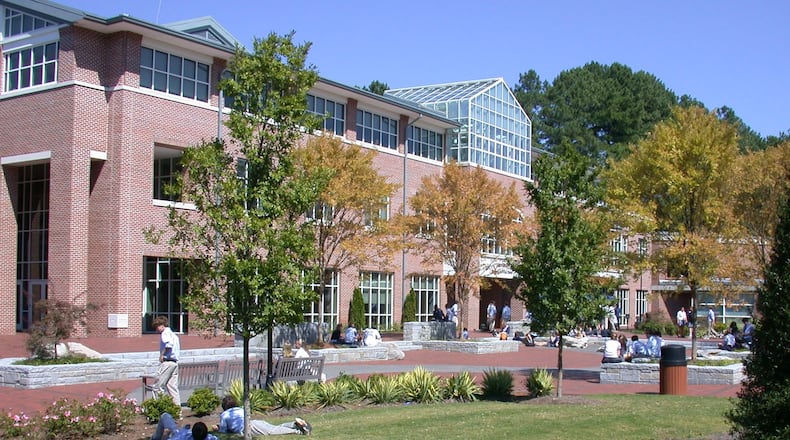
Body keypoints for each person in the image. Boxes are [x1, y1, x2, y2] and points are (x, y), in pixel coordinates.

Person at [214, 395, 311, 436]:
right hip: (254, 423)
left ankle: (299, 431)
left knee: (272, 431)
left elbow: (223, 431)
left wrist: (217, 429)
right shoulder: (240, 409)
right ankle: (294, 424)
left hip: (247, 428)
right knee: (274, 427)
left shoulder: (224, 415)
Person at [153, 315, 181, 408]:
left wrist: (162, 355)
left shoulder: (165, 333)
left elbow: (169, 345)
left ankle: (158, 408)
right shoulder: (174, 335)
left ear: (161, 325)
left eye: (157, 327)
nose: (156, 330)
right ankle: (177, 409)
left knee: (158, 386)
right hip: (174, 362)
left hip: (167, 362)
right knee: (172, 387)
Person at [152, 417, 217, 440]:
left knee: (165, 416)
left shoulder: (184, 436)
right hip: (182, 432)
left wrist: (166, 435)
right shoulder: (210, 438)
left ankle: (155, 438)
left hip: (177, 433)